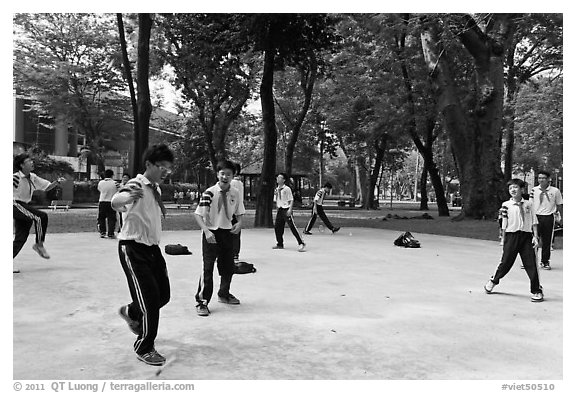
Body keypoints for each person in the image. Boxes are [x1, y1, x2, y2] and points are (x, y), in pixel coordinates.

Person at [112, 144, 174, 367]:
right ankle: (144, 347)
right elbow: (116, 201)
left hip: (152, 249)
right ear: (149, 164)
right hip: (133, 249)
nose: (165, 172)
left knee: (163, 296)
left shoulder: (155, 189)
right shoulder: (136, 184)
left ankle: (130, 311)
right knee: (149, 302)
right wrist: (125, 199)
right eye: (162, 167)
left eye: (168, 168)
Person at [194, 160, 245, 317]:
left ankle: (224, 294)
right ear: (217, 174)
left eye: (228, 174)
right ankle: (202, 301)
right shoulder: (209, 192)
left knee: (228, 266)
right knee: (207, 267)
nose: (225, 177)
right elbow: (198, 214)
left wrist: (240, 223)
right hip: (211, 233)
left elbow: (239, 211)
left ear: (233, 176)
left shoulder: (235, 193)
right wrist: (207, 232)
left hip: (227, 233)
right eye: (222, 173)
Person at [484, 178, 544, 302]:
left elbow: (534, 221)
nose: (513, 190)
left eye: (515, 187)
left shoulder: (529, 204)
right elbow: (503, 223)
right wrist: (503, 238)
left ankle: (536, 290)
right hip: (512, 236)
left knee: (531, 264)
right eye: (510, 188)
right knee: (506, 262)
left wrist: (535, 237)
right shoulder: (506, 205)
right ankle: (493, 281)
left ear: (522, 189)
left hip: (526, 237)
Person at [13, 153, 66, 267]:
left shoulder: (33, 177)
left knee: (20, 238)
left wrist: (57, 182)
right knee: (41, 217)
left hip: (24, 206)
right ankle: (39, 245)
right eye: (29, 161)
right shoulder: (15, 177)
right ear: (22, 165)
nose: (32, 162)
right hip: (14, 204)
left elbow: (46, 187)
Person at [530, 170, 563, 270]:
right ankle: (530, 261)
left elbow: (559, 204)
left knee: (547, 240)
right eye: (539, 178)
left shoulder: (555, 191)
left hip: (548, 217)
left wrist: (561, 217)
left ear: (548, 179)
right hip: (536, 216)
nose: (541, 180)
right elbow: (530, 204)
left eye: (543, 178)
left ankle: (545, 261)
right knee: (533, 239)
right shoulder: (534, 190)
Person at [273, 173, 306, 252]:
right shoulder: (277, 189)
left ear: (283, 180)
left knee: (292, 226)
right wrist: (276, 198)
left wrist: (290, 209)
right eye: (277, 178)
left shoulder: (287, 189)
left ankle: (301, 242)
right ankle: (280, 243)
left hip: (286, 209)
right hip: (280, 209)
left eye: (280, 178)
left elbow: (291, 199)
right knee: (278, 227)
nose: (278, 179)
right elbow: (275, 200)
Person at [97, 169, 119, 239]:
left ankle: (102, 232)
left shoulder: (101, 183)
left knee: (101, 217)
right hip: (111, 201)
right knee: (112, 218)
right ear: (112, 175)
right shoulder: (115, 183)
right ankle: (111, 233)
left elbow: (100, 190)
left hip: (102, 201)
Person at [230, 162, 244, 262]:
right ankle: (235, 254)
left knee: (231, 233)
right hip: (237, 210)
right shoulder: (240, 183)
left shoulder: (233, 183)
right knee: (236, 233)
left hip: (232, 210)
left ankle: (233, 254)